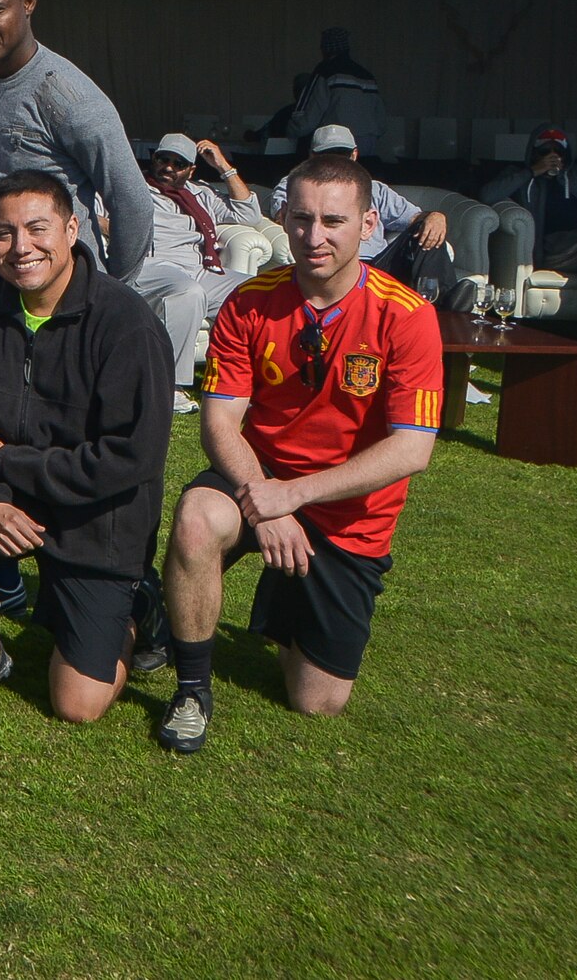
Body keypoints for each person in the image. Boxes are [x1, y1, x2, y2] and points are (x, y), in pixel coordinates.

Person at [158, 155, 441, 753]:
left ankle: (277, 600)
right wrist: (268, 500)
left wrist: (292, 497)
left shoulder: (408, 316)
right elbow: (219, 424)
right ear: (283, 218)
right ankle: (191, 687)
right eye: (303, 219)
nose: (315, 236)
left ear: (367, 224)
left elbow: (412, 449)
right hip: (258, 478)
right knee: (197, 517)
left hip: (349, 512)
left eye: (334, 221)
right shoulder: (249, 302)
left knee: (316, 702)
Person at [0, 171, 172, 725]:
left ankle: (138, 603)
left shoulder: (126, 322)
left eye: (37, 228)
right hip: (6, 501)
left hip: (96, 517)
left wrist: (7, 462)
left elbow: (131, 458)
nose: (21, 246)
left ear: (71, 230)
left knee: (77, 706)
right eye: (4, 232)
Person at [0, 0, 151, 620]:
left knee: (67, 441)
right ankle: (2, 571)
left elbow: (130, 197)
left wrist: (110, 291)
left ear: (28, 4)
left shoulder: (64, 92)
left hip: (68, 308)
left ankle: (108, 578)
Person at [131, 132, 263, 414]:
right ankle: (171, 387)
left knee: (258, 292)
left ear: (191, 170)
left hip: (200, 269)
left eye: (178, 164)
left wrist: (223, 166)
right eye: (163, 159)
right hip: (152, 266)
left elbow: (249, 215)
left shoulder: (201, 193)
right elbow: (96, 212)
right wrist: (118, 229)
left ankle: (246, 381)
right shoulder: (134, 186)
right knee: (188, 292)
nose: (168, 167)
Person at [269, 125, 454, 297]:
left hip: (377, 265)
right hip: (332, 263)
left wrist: (435, 217)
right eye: (327, 156)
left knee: (428, 228)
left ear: (354, 154)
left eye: (342, 154)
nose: (336, 162)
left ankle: (445, 302)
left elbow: (414, 218)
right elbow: (282, 217)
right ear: (312, 156)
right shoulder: (297, 184)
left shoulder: (374, 189)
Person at [480, 125, 577, 272]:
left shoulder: (575, 175)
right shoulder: (518, 175)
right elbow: (487, 195)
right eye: (545, 151)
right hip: (553, 250)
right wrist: (533, 171)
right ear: (534, 153)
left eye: (558, 151)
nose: (552, 156)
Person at [288, 27, 386, 158]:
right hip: (368, 142)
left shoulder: (325, 71)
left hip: (337, 142)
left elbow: (310, 114)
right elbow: (380, 120)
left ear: (324, 49)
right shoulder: (367, 76)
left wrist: (292, 131)